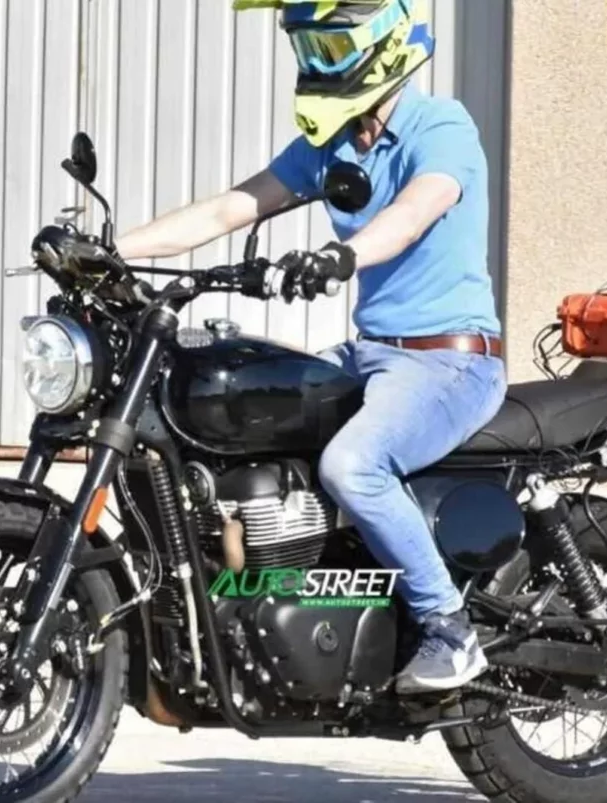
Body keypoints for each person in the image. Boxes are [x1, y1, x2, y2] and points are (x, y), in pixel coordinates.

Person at [113, 0, 504, 694]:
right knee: (249, 421)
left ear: (380, 44)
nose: (317, 64)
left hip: (450, 360)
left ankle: (449, 627)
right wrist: (112, 252)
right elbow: (229, 207)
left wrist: (341, 257)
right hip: (372, 352)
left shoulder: (441, 125)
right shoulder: (333, 146)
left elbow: (413, 212)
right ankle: (271, 603)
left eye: (331, 48)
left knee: (353, 465)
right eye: (308, 49)